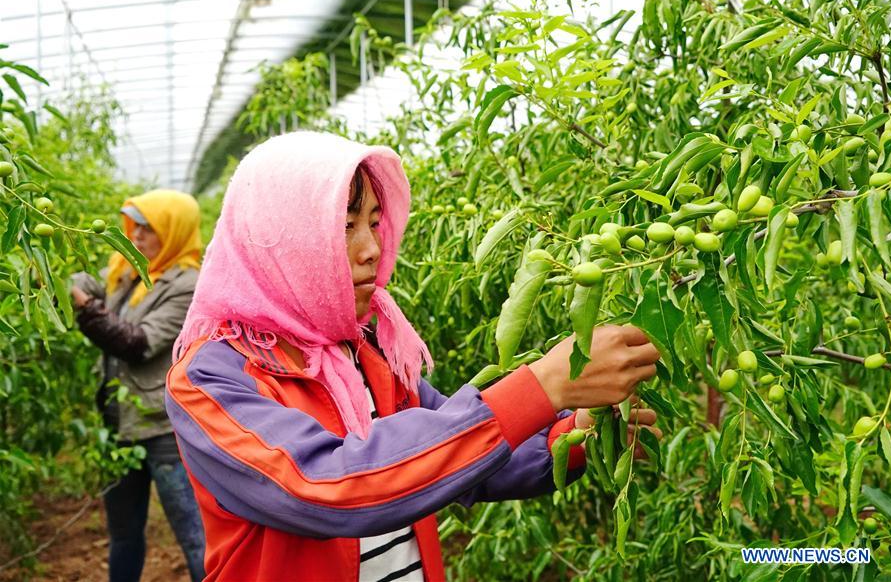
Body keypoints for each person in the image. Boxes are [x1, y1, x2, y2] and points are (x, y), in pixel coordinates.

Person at [165, 132, 662, 582]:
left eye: (375, 224)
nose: (370, 249)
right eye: (343, 227)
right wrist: (543, 385)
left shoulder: (368, 349)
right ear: (280, 239)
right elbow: (321, 486)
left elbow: (454, 457)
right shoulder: (210, 379)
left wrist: (574, 434)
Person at [71, 190, 206, 582]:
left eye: (149, 228)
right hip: (120, 425)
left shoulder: (186, 284)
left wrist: (85, 309)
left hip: (160, 427)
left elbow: (138, 343)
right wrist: (59, 266)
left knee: (194, 535)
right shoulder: (129, 271)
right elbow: (93, 287)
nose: (138, 236)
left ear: (174, 231)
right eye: (135, 226)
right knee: (124, 534)